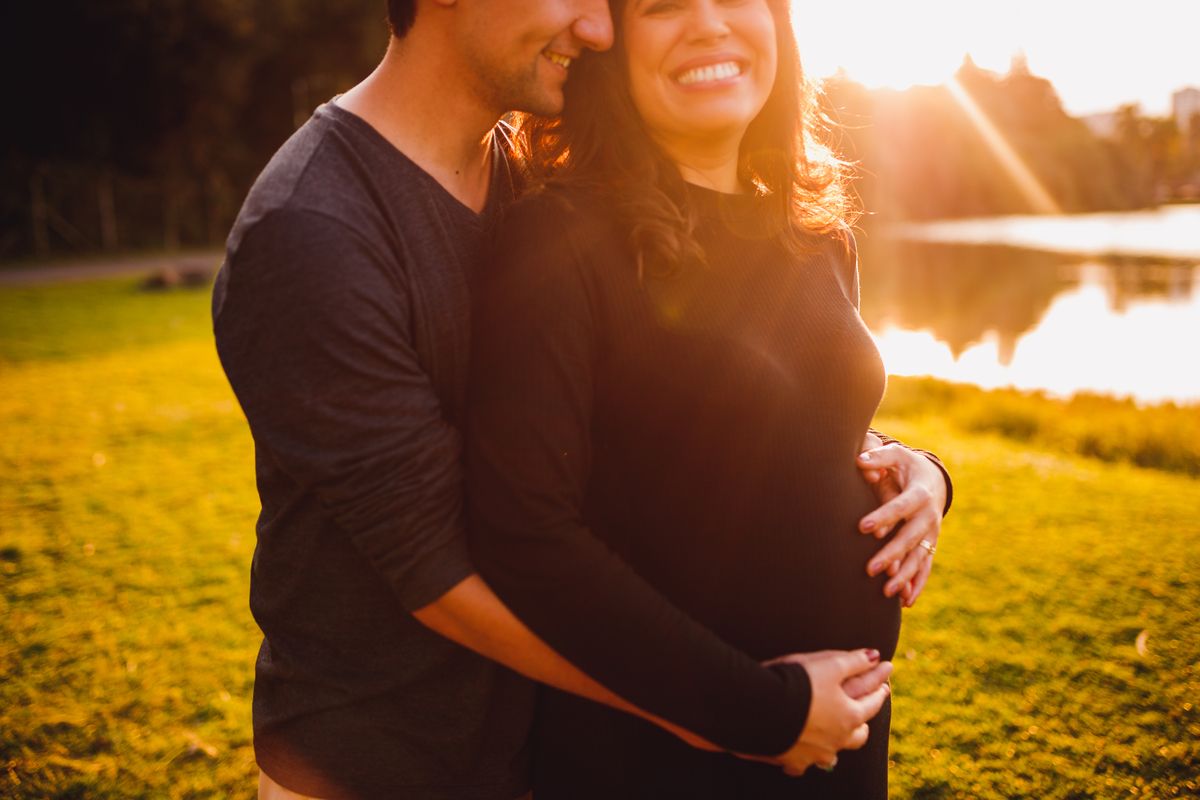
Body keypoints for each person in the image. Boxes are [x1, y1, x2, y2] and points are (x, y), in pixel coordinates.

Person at [213, 0, 943, 798]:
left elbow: (693, 412)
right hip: (390, 762)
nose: (600, 30)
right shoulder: (313, 229)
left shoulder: (517, 170)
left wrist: (915, 469)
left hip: (539, 744)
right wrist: (740, 715)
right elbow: (444, 574)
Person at [464, 0, 952, 797]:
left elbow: (799, 425)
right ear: (613, 49)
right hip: (661, 758)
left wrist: (926, 475)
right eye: (664, 6)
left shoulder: (819, 234)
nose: (710, 24)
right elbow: (524, 536)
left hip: (840, 743)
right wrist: (764, 713)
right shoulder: (558, 240)